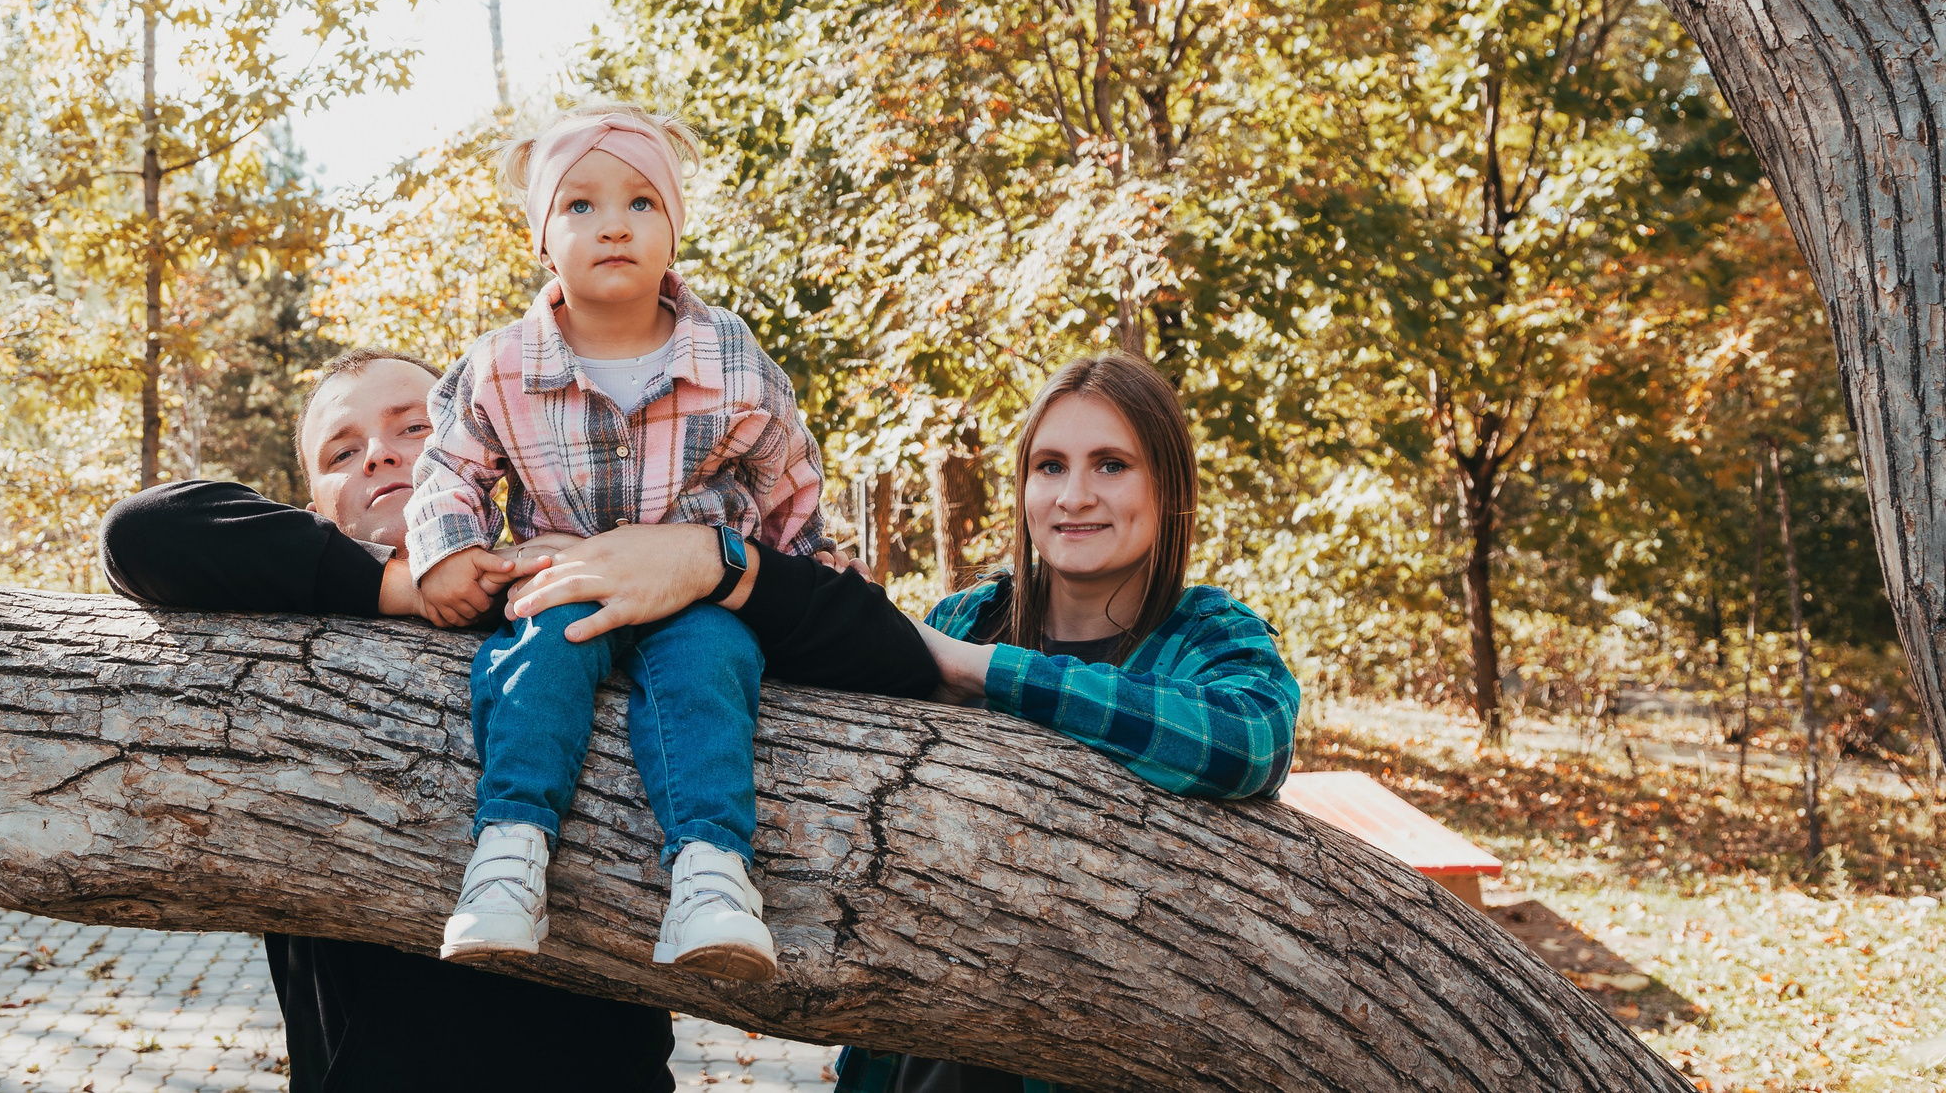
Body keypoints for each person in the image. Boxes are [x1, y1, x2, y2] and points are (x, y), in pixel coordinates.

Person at [100, 345, 935, 1093]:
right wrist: (408, 583)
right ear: (313, 503)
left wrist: (710, 558)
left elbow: (889, 656)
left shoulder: (597, 594)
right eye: (342, 451)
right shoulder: (290, 628)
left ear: (479, 464)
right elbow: (139, 534)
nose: (381, 454)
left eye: (411, 430)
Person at [405, 102, 830, 981]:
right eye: (580, 206)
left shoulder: (732, 357)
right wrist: (448, 548)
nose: (613, 226)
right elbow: (449, 464)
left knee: (711, 666)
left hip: (694, 588)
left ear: (674, 230)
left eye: (642, 203)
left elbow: (787, 477)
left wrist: (809, 584)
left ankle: (711, 873)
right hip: (566, 579)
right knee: (532, 659)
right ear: (541, 238)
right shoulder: (501, 363)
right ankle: (510, 852)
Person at [833, 351, 1301, 1093]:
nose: (1074, 494)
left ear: (1169, 486)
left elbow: (1251, 742)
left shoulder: (1206, 637)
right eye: (1050, 465)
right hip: (921, 1061)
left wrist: (982, 671)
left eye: (1111, 464)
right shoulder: (967, 617)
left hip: (1115, 1058)